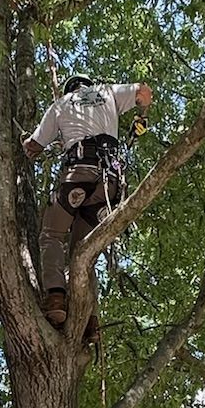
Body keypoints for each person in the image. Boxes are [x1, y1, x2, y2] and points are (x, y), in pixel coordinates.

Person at [26, 76, 153, 327]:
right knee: (82, 252)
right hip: (110, 183)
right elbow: (144, 92)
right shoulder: (108, 92)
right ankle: (89, 319)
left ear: (70, 88)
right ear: (86, 84)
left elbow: (34, 146)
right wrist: (141, 116)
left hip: (79, 173)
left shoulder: (61, 103)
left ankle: (55, 297)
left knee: (51, 234)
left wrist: (26, 142)